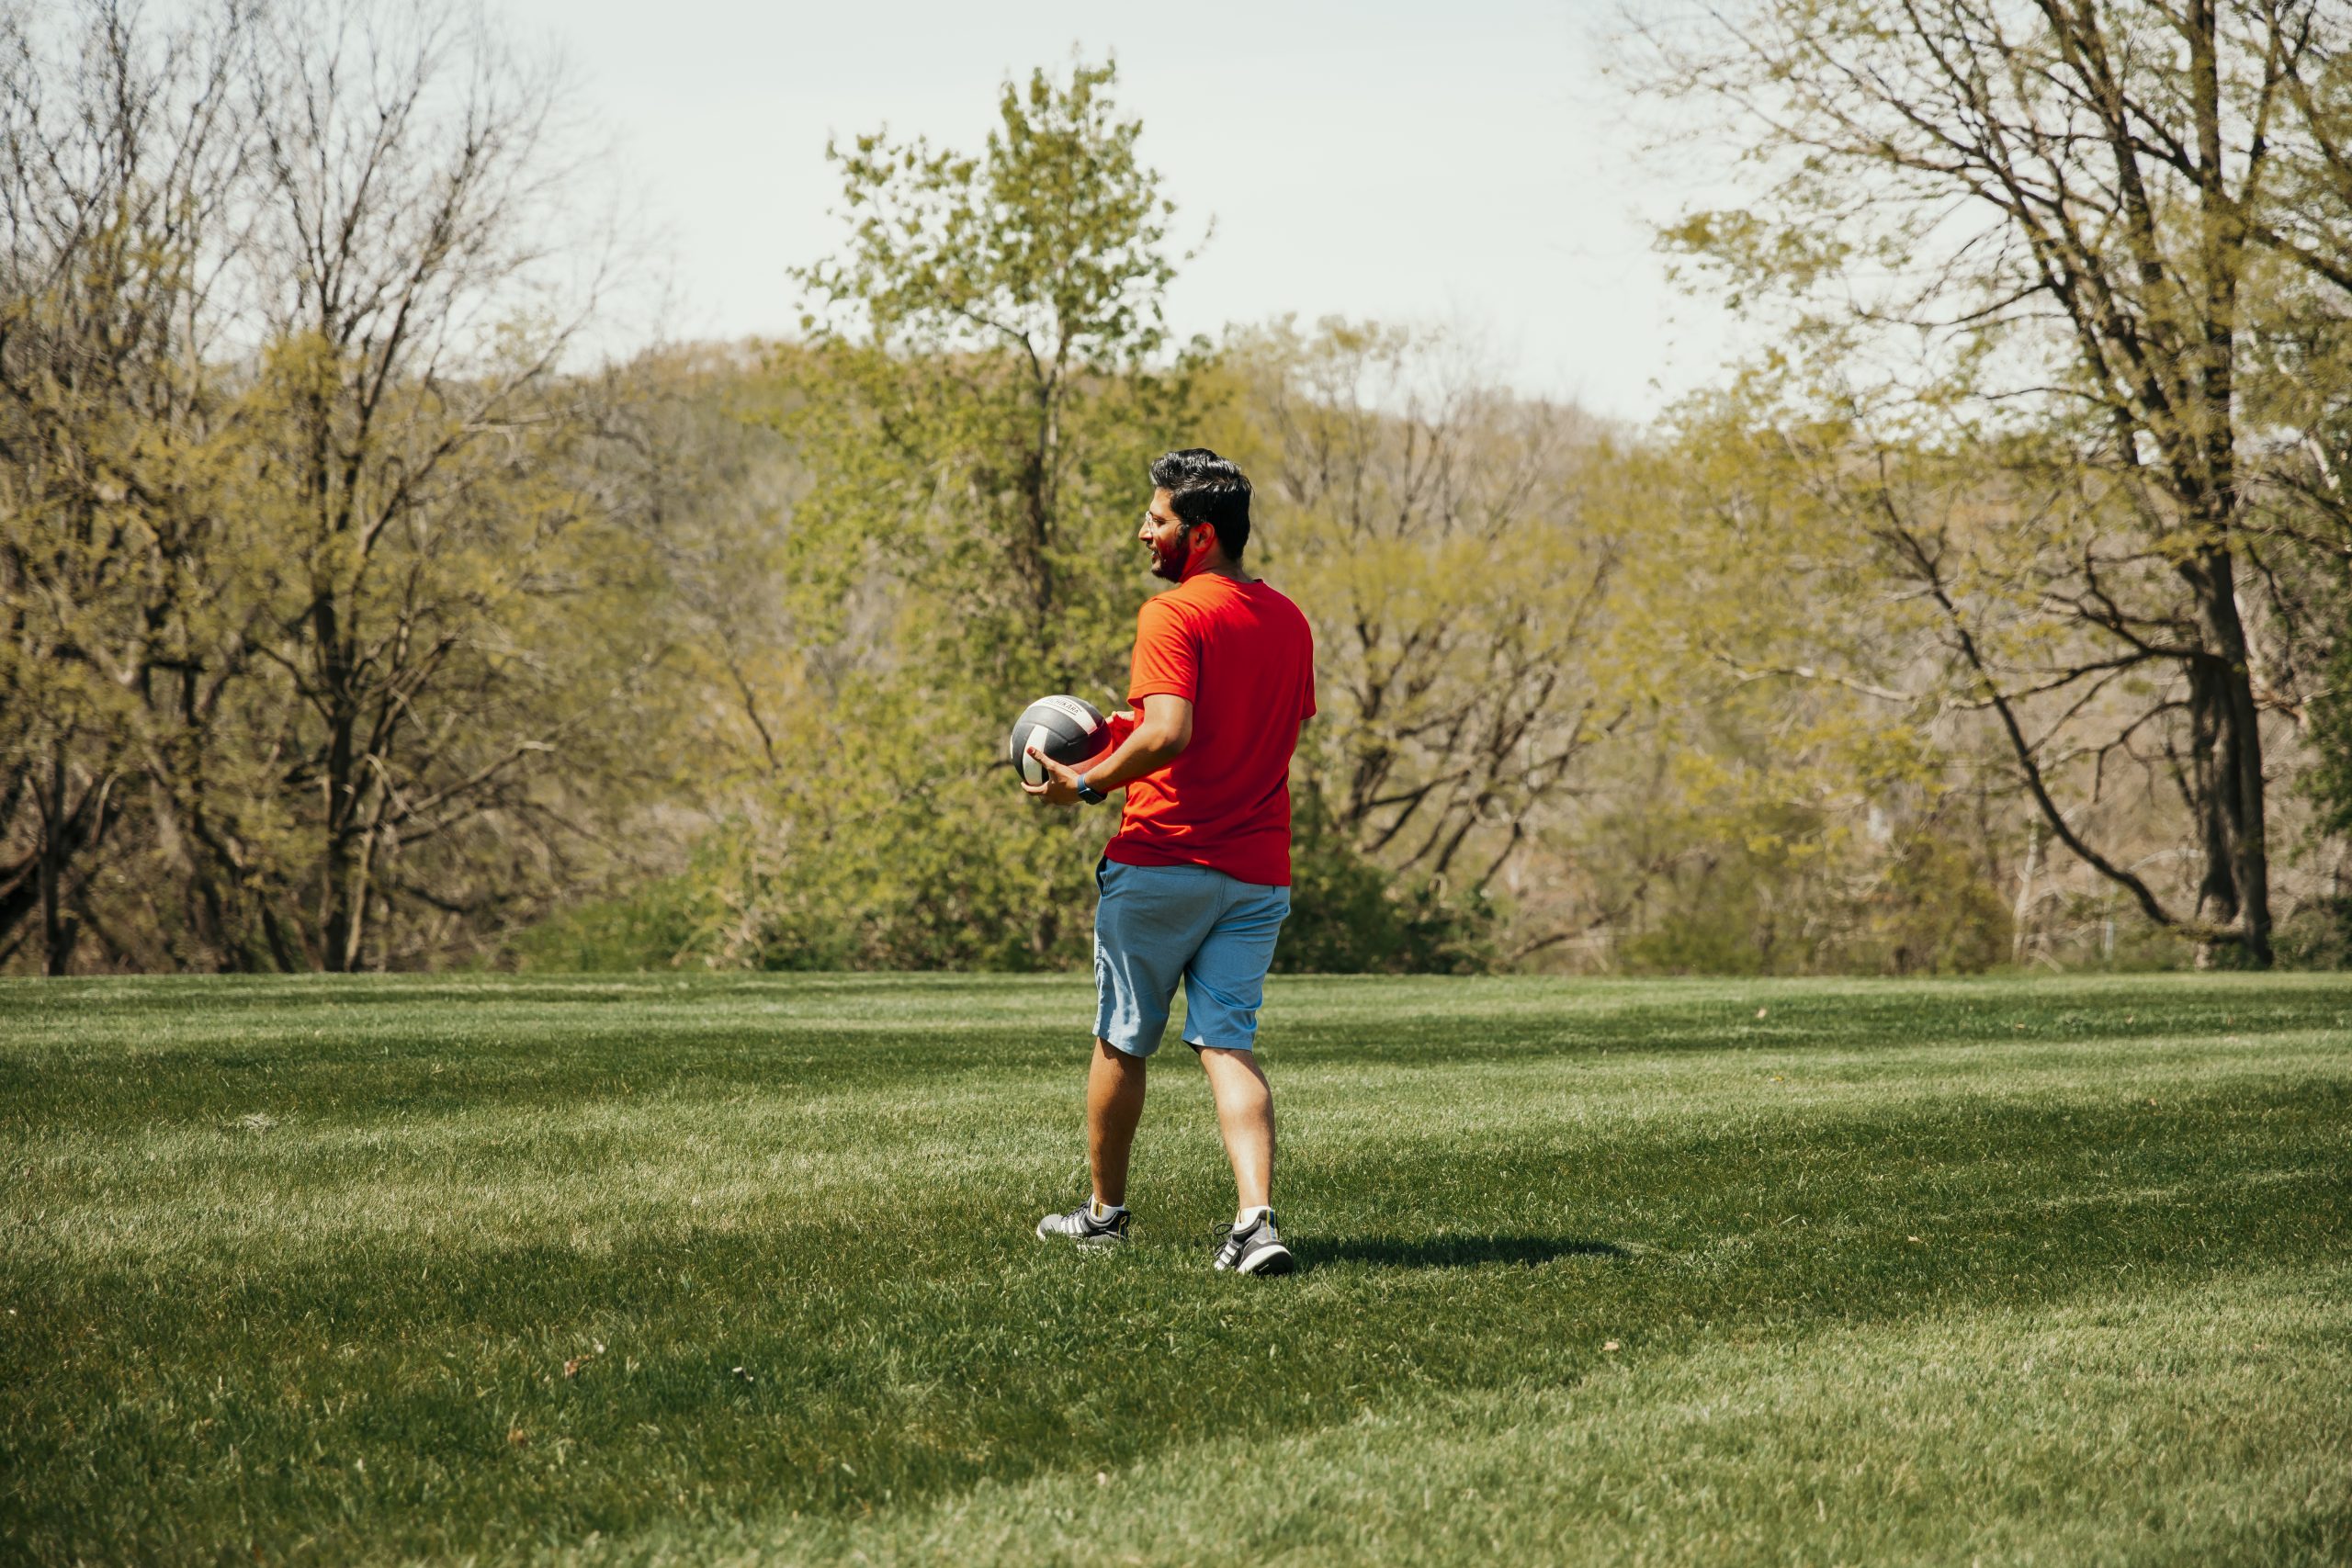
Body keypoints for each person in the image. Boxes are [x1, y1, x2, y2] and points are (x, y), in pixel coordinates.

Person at [1023, 448, 1317, 1277]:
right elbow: (1253, 724)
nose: (1143, 531)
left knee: (1122, 1041)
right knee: (1228, 1042)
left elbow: (1175, 732)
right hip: (1256, 873)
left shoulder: (1173, 615)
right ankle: (1256, 1224)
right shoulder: (1289, 619)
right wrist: (1130, 725)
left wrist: (1083, 780)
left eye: (1157, 520)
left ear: (1202, 535)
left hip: (1160, 861)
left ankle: (1105, 1215)